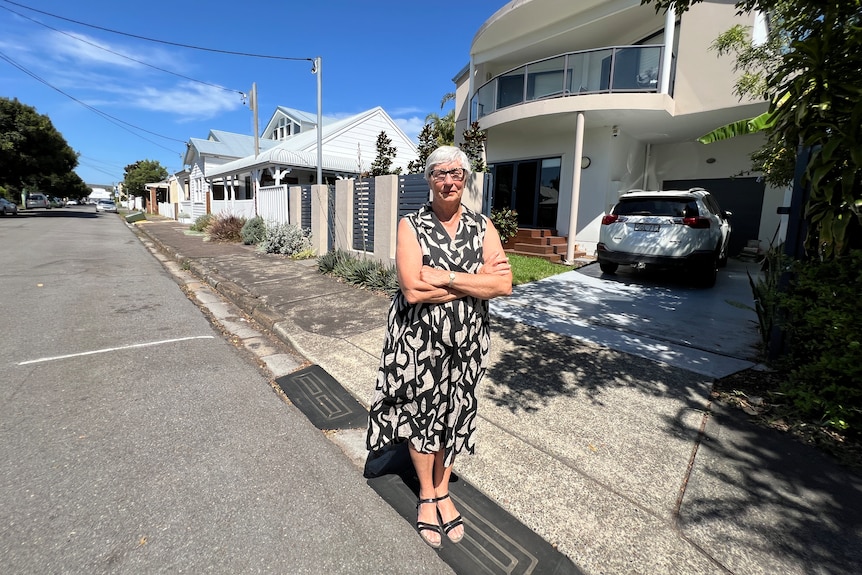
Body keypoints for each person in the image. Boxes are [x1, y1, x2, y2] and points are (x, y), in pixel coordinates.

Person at [365, 146, 513, 548]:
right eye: (439, 174)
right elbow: (412, 290)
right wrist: (472, 280)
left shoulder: (484, 227)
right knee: (420, 412)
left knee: (455, 412)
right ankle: (426, 495)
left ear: (465, 178)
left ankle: (443, 488)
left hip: (468, 342)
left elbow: (502, 285)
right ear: (428, 179)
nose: (448, 182)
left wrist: (445, 276)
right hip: (417, 340)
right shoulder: (410, 225)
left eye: (456, 173)